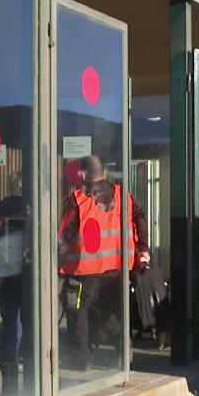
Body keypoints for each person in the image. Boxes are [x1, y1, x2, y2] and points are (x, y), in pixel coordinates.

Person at [58, 155, 150, 371]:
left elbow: (64, 237)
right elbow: (141, 218)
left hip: (85, 271)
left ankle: (80, 360)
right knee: (111, 313)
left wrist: (56, 264)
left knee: (77, 313)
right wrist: (143, 249)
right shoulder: (123, 195)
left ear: (82, 174)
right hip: (117, 268)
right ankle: (123, 352)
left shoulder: (77, 200)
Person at [0, 172, 30, 396]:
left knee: (9, 326)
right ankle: (35, 382)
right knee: (30, 323)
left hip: (6, 270)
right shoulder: (30, 207)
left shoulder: (1, 207)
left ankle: (9, 385)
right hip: (27, 270)